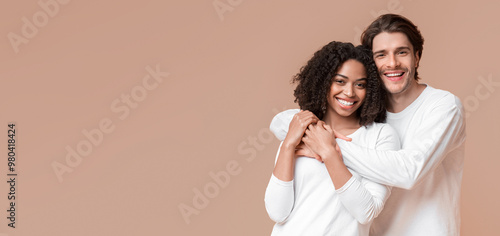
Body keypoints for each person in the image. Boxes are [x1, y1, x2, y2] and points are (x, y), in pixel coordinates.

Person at [270, 14, 466, 236]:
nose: (392, 63)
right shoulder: (366, 109)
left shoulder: (443, 106)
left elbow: (409, 171)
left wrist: (327, 147)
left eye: (402, 52)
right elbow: (282, 121)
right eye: (382, 55)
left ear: (417, 57)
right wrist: (300, 137)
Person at [264, 41, 401, 235]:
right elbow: (277, 212)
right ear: (324, 82)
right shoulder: (303, 130)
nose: (349, 92)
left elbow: (366, 211)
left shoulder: (380, 137)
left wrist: (329, 153)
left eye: (360, 84)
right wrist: (288, 146)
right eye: (340, 81)